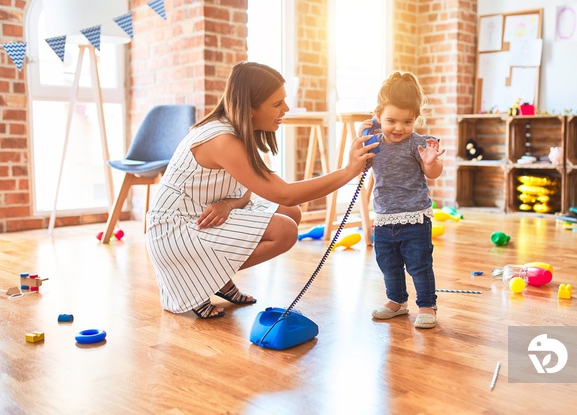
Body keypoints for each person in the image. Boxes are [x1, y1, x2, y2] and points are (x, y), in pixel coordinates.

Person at [146, 61, 377, 319]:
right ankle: (199, 279)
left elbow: (249, 188)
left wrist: (228, 204)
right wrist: (348, 171)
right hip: (175, 233)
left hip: (199, 218)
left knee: (291, 213)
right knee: (285, 231)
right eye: (277, 104)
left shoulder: (236, 129)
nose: (286, 109)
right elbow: (283, 192)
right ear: (250, 109)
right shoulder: (222, 140)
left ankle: (216, 277)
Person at [361, 71, 445, 329]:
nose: (399, 128)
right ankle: (396, 301)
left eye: (408, 121)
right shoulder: (373, 143)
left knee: (419, 263)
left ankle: (427, 305)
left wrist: (431, 163)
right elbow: (358, 163)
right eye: (391, 121)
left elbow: (433, 172)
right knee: (387, 262)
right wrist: (362, 133)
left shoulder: (417, 144)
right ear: (378, 115)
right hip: (385, 216)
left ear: (416, 119)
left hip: (415, 216)